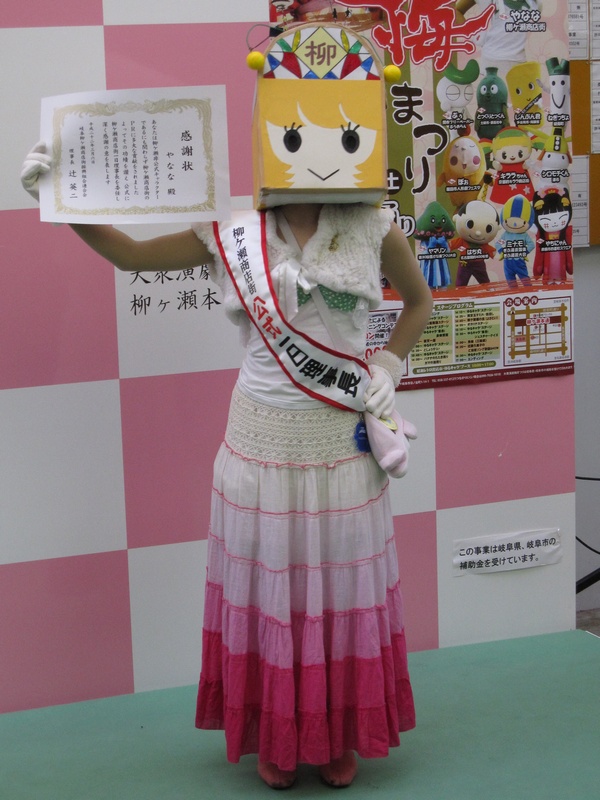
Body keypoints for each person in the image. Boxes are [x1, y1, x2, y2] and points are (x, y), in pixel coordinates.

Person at [21, 22, 432, 791]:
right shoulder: (235, 228)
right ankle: (276, 733)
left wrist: (387, 363)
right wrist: (60, 199)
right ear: (271, 127)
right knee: (270, 590)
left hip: (341, 445)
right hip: (259, 445)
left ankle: (337, 733)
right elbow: (131, 256)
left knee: (340, 590)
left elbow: (419, 303)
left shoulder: (372, 223)